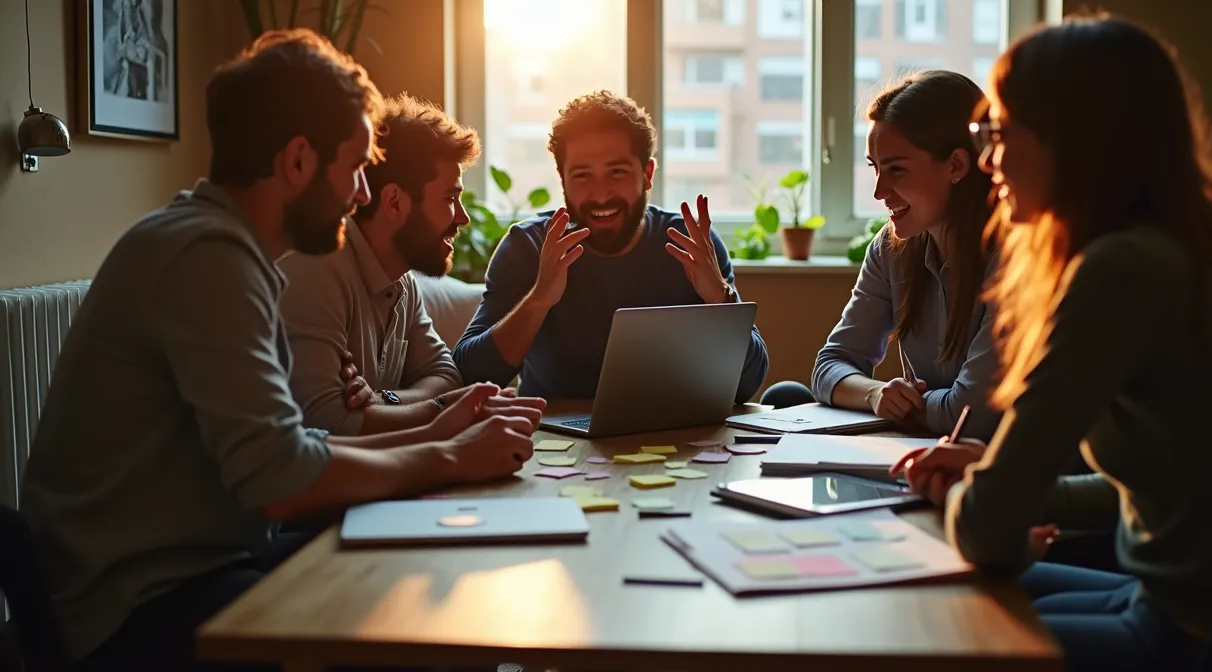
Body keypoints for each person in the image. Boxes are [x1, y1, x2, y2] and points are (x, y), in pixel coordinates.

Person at [19, 30, 540, 672]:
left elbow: (292, 451)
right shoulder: (206, 256)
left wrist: (435, 434)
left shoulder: (228, 250)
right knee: (417, 614)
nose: (361, 194)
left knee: (426, 564)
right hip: (132, 607)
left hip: (205, 562)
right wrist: (448, 455)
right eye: (354, 167)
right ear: (297, 161)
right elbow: (283, 482)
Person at [898, 15, 1212, 671]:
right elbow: (1175, 487)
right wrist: (988, 472)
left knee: (912, 624)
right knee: (933, 599)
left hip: (1183, 634)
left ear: (1076, 140)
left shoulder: (1120, 270)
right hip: (1183, 603)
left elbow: (985, 534)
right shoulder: (1183, 251)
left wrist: (967, 494)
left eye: (1001, 132)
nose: (987, 158)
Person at [452, 90, 769, 402]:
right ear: (562, 179)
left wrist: (720, 299)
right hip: (554, 442)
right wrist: (538, 300)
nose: (601, 195)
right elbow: (469, 374)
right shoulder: (527, 248)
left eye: (616, 173)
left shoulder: (692, 246)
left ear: (647, 175)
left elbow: (746, 386)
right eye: (582, 176)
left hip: (671, 437)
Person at [278, 93, 542, 436]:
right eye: (449, 198)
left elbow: (446, 376)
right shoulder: (315, 273)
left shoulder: (401, 281)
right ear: (394, 202)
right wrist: (446, 409)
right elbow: (331, 423)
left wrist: (385, 401)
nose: (462, 217)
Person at [760, 70, 1000, 440]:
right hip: (921, 449)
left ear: (956, 165)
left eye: (896, 170)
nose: (878, 192)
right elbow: (830, 365)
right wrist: (876, 394)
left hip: (988, 465)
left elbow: (969, 414)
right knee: (786, 396)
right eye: (874, 167)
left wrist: (910, 408)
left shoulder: (1013, 259)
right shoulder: (891, 249)